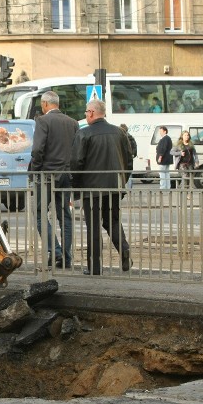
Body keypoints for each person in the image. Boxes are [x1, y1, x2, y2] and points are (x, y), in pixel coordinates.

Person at [70, 98, 133, 276]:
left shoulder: (84, 134)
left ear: (91, 113)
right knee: (112, 221)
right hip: (114, 187)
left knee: (93, 227)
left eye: (86, 112)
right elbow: (129, 160)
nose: (85, 115)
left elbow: (76, 162)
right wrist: (122, 180)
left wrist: (76, 186)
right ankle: (124, 249)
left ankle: (94, 266)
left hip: (92, 188)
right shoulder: (119, 132)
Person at [28, 91, 79, 269]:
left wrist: (35, 170)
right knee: (64, 214)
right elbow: (75, 150)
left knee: (40, 213)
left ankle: (56, 252)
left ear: (45, 104)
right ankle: (65, 256)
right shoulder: (72, 123)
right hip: (66, 174)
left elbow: (37, 150)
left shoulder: (43, 121)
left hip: (47, 175)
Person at [120, 124, 137, 189]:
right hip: (130, 157)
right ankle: (129, 188)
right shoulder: (131, 137)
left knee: (122, 172)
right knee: (129, 172)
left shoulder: (122, 137)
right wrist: (133, 154)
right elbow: (135, 147)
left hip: (123, 157)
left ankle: (123, 187)